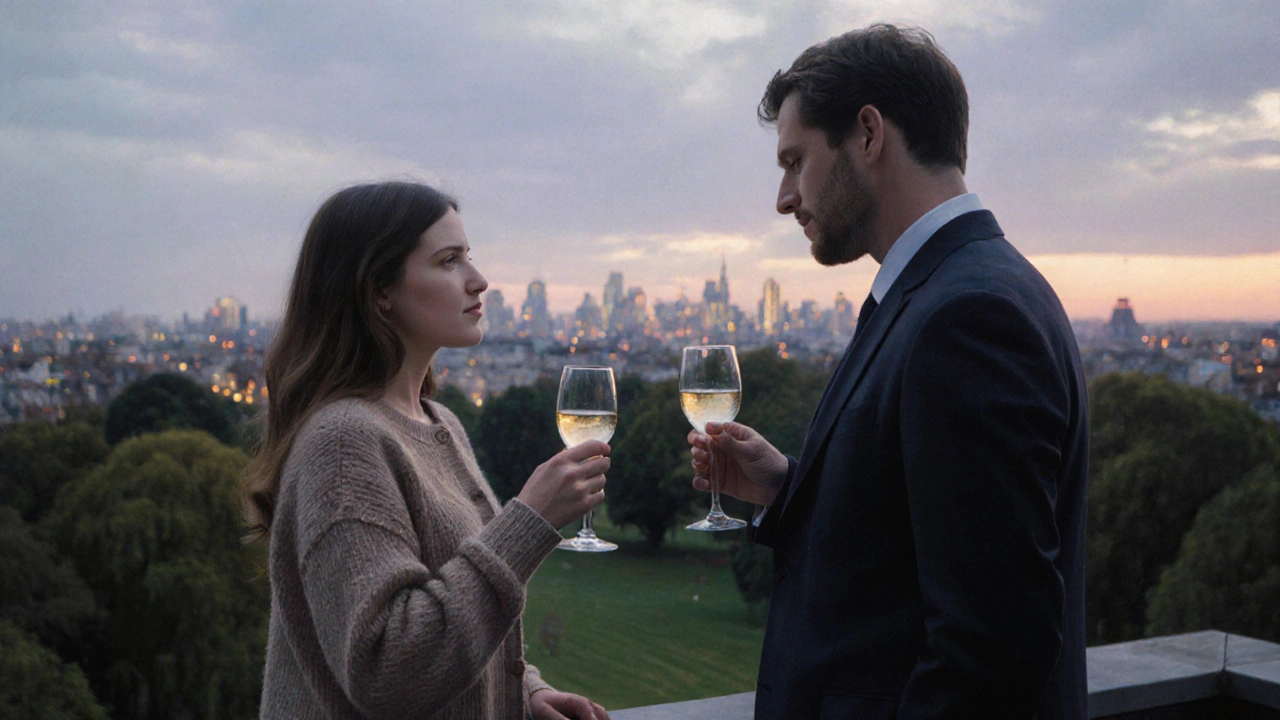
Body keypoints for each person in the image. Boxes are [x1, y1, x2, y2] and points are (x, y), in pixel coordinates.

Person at [688, 25, 1088, 720]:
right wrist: (789, 489)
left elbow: (991, 646)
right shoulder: (959, 290)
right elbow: (919, 547)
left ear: (869, 134)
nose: (784, 198)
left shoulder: (965, 319)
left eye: (795, 160)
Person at [245, 181, 612, 720]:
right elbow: (387, 670)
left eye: (469, 257)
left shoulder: (438, 422)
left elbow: (448, 606)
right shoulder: (345, 444)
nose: (478, 280)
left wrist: (524, 691)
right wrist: (528, 522)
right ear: (379, 291)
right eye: (448, 261)